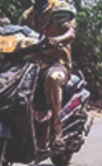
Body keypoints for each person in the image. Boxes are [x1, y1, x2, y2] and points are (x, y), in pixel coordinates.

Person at [20, 0, 77, 151]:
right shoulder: (28, 15)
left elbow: (71, 32)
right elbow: (18, 33)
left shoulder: (60, 9)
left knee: (52, 79)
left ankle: (56, 132)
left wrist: (58, 40)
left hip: (56, 62)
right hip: (32, 63)